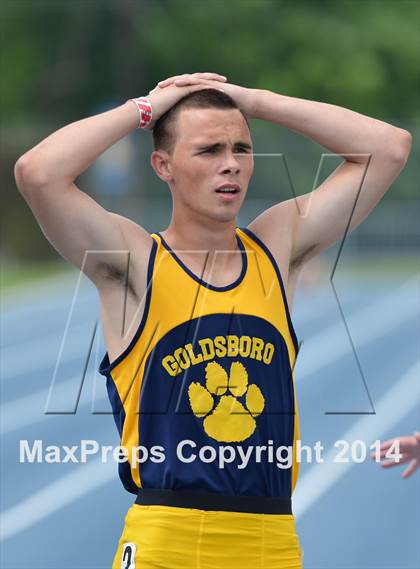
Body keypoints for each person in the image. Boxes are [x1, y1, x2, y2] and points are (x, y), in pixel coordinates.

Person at [14, 72, 411, 568]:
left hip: (272, 540)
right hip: (168, 539)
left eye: (242, 149)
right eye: (208, 151)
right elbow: (39, 172)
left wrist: (255, 101)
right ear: (164, 165)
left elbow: (389, 148)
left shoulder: (275, 251)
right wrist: (148, 108)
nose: (231, 165)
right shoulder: (135, 262)